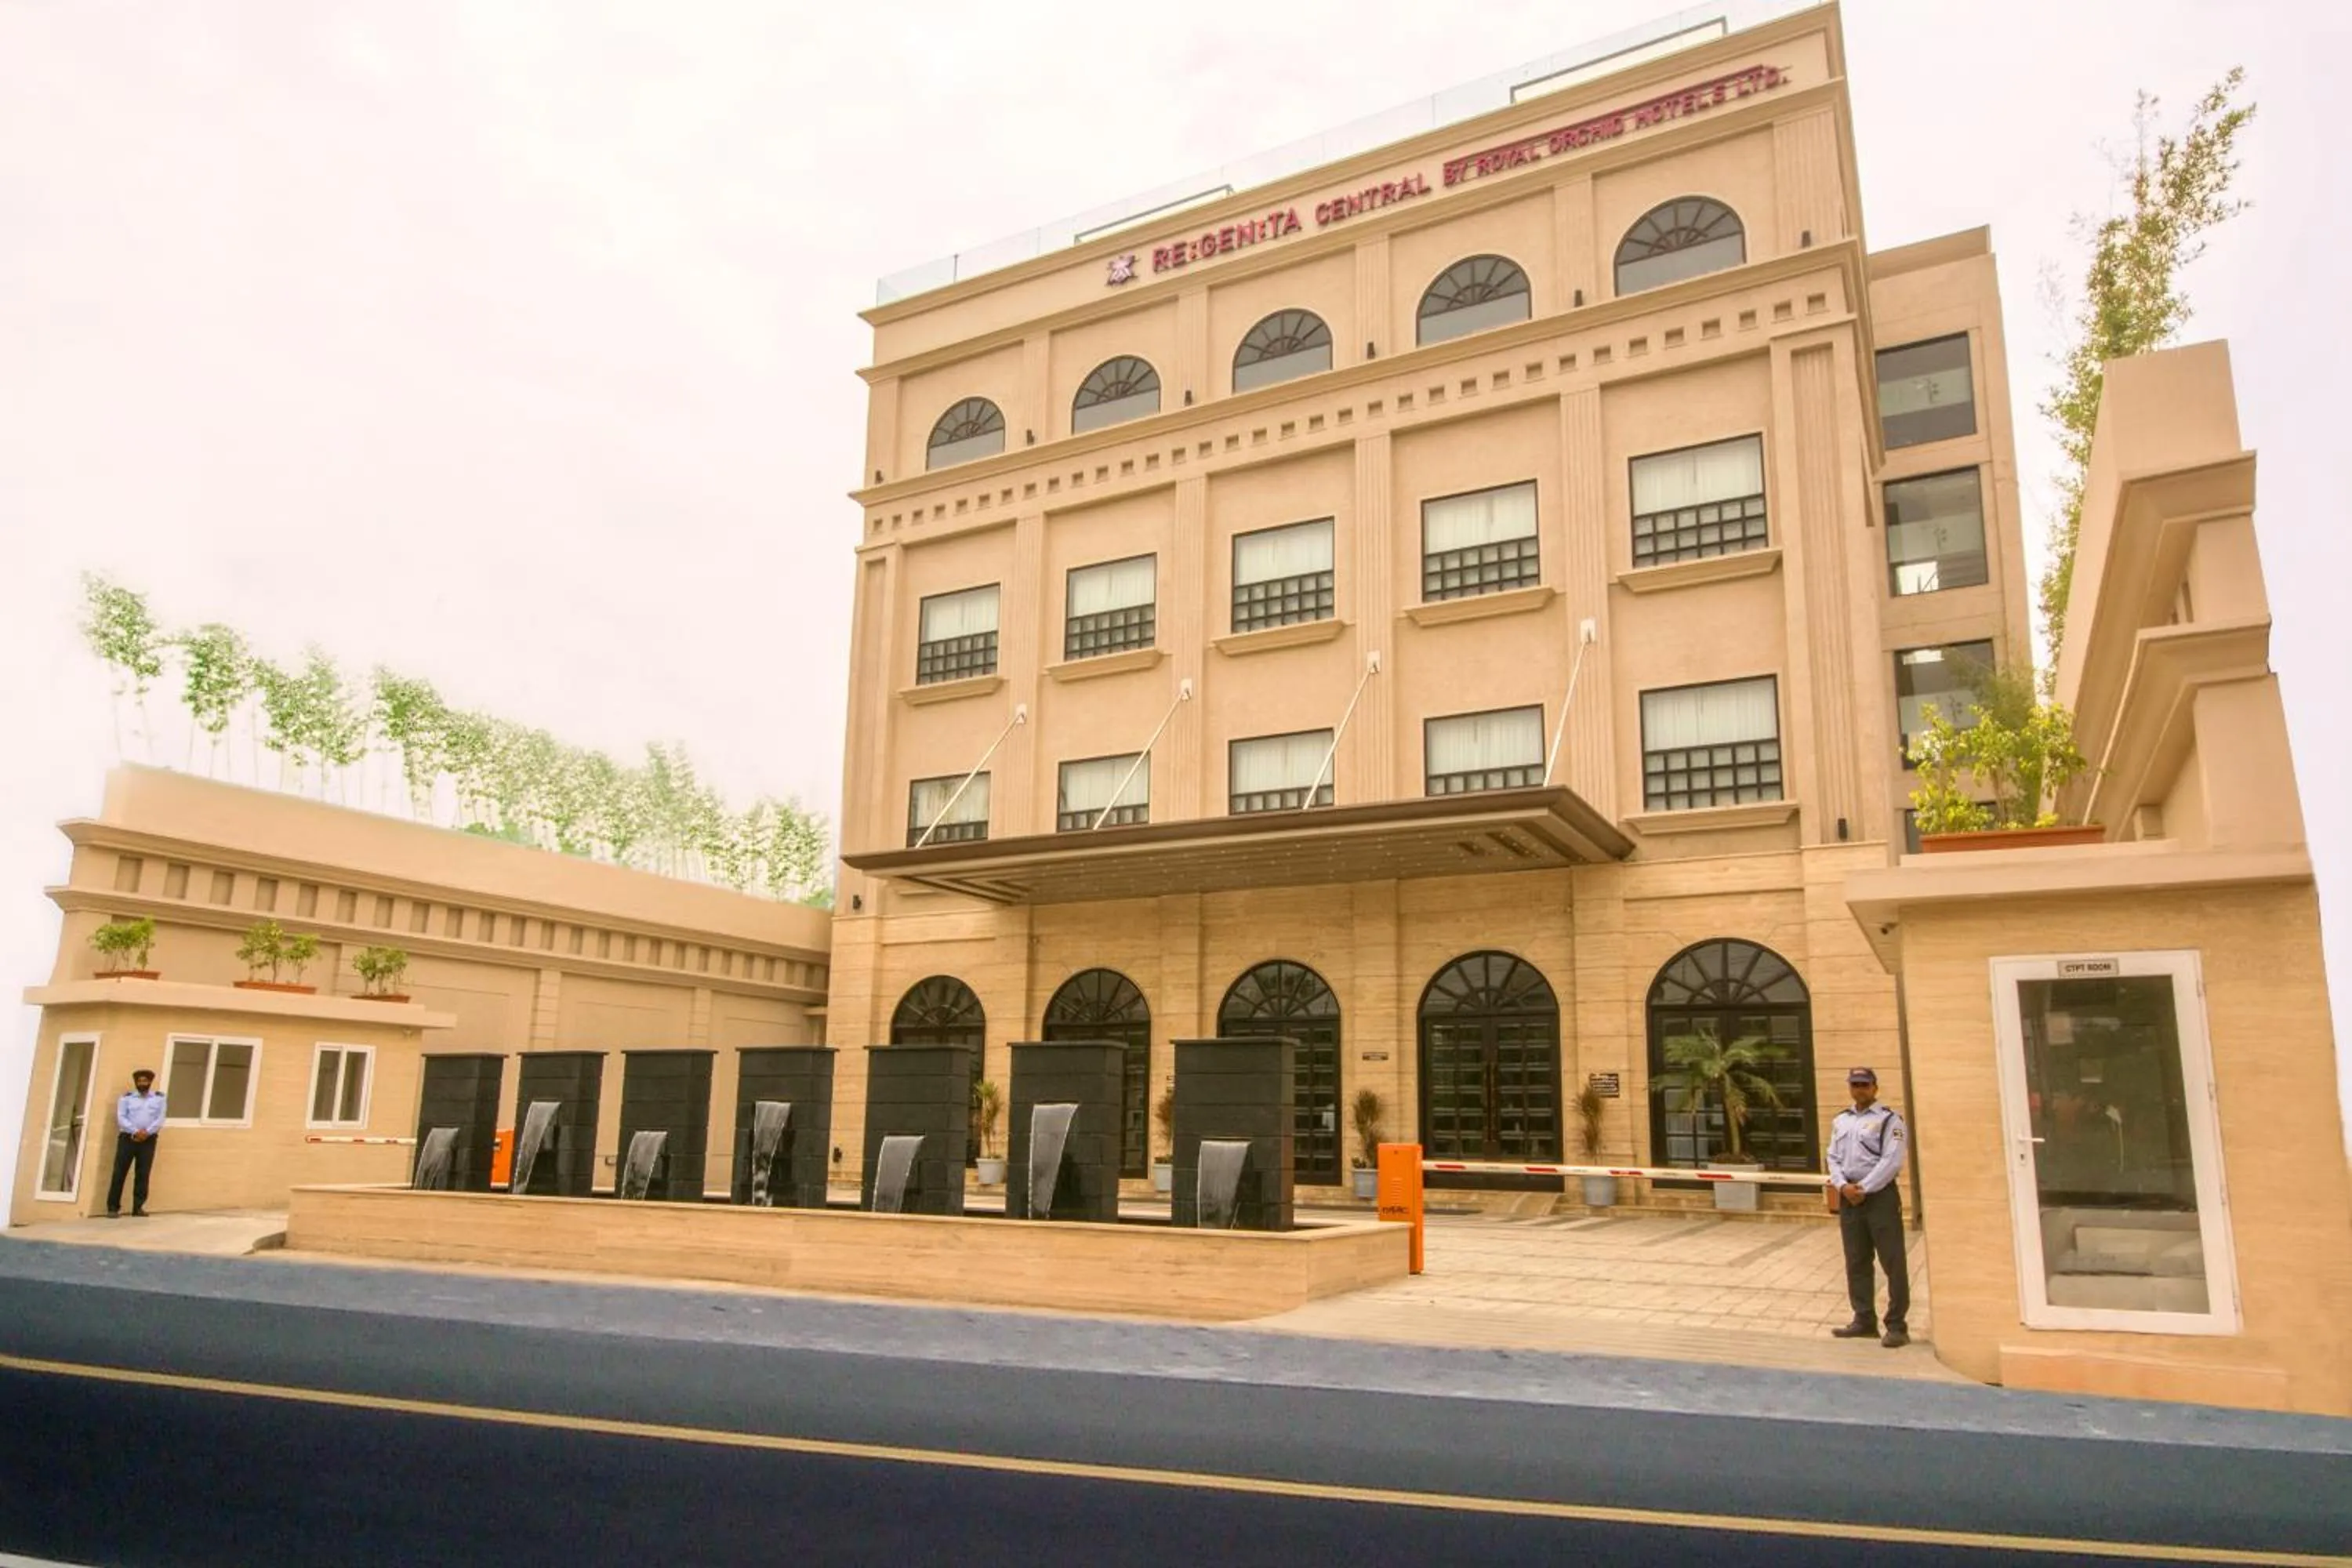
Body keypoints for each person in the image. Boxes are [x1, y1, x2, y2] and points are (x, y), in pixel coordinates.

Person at [1824, 1065, 1909, 1348]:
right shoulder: (1842, 1120)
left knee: (1892, 1261)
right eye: (1855, 1084)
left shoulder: (1890, 1121)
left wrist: (1865, 1188)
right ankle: (1864, 1320)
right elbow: (1832, 1156)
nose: (1859, 1089)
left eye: (1864, 1084)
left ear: (1875, 1087)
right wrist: (1842, 1186)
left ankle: (1897, 1325)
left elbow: (1892, 1161)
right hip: (1850, 1197)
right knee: (1857, 1260)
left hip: (1879, 1197)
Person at [105, 1067, 166, 1218]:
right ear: (136, 1082)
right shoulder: (126, 1098)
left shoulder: (159, 1099)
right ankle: (113, 1208)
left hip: (148, 1140)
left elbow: (160, 1119)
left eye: (145, 1081)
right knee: (119, 1172)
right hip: (128, 1139)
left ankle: (138, 1208)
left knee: (143, 1174)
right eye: (139, 1081)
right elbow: (121, 1117)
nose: (142, 1083)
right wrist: (135, 1131)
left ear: (150, 1082)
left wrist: (147, 1132)